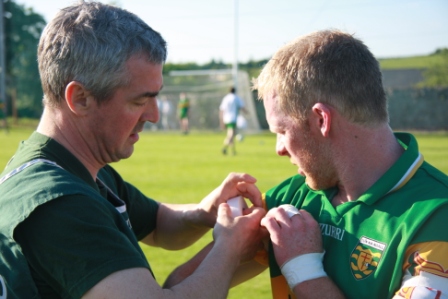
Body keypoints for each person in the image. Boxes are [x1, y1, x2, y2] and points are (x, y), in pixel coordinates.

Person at [0, 2, 268, 298]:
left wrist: (205, 212)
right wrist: (229, 248)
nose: (153, 115)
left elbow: (157, 224)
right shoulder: (60, 203)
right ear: (81, 99)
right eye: (140, 101)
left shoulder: (72, 168)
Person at [164, 29, 448, 298]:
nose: (279, 150)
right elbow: (180, 287)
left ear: (321, 120)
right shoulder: (290, 198)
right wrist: (229, 245)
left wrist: (303, 269)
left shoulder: (436, 216)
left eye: (281, 131)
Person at [219, 87, 247, 155]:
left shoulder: (225, 98)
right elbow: (241, 107)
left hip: (226, 118)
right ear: (235, 91)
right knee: (231, 134)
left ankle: (233, 151)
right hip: (232, 118)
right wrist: (247, 112)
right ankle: (224, 147)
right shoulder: (236, 98)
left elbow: (222, 109)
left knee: (230, 134)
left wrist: (221, 120)